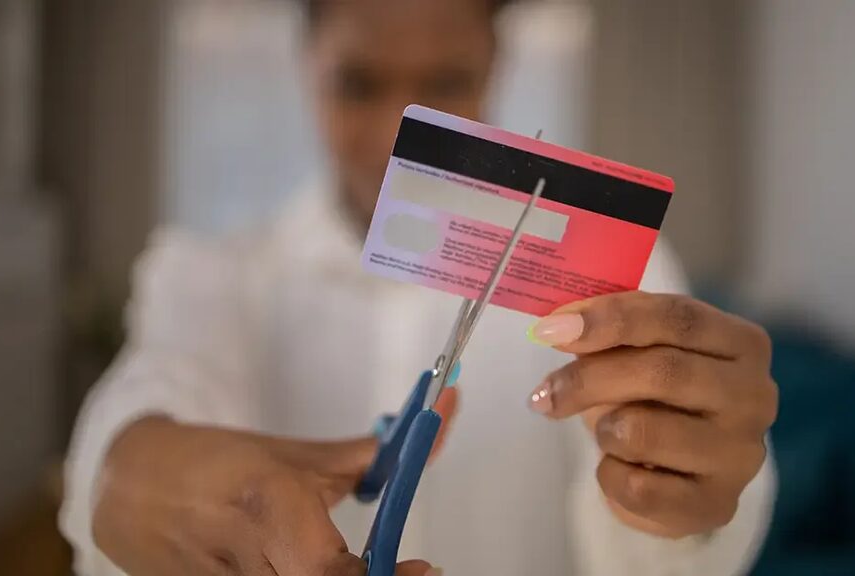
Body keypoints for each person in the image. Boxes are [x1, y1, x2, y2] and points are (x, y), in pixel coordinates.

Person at [59, 0, 779, 575]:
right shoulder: (212, 275)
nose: (395, 137)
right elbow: (151, 391)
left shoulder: (622, 280)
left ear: (497, 64)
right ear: (306, 65)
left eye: (443, 84)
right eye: (358, 83)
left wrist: (682, 507)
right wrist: (123, 471)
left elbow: (674, 551)